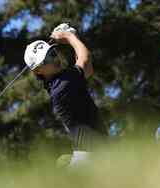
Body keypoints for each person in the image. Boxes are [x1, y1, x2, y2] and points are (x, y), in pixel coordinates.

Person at [24, 24, 107, 166]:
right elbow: (85, 59)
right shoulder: (63, 85)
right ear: (38, 71)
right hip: (90, 157)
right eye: (47, 59)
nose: (54, 59)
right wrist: (69, 37)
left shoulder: (60, 81)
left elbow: (87, 69)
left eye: (52, 53)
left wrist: (74, 38)